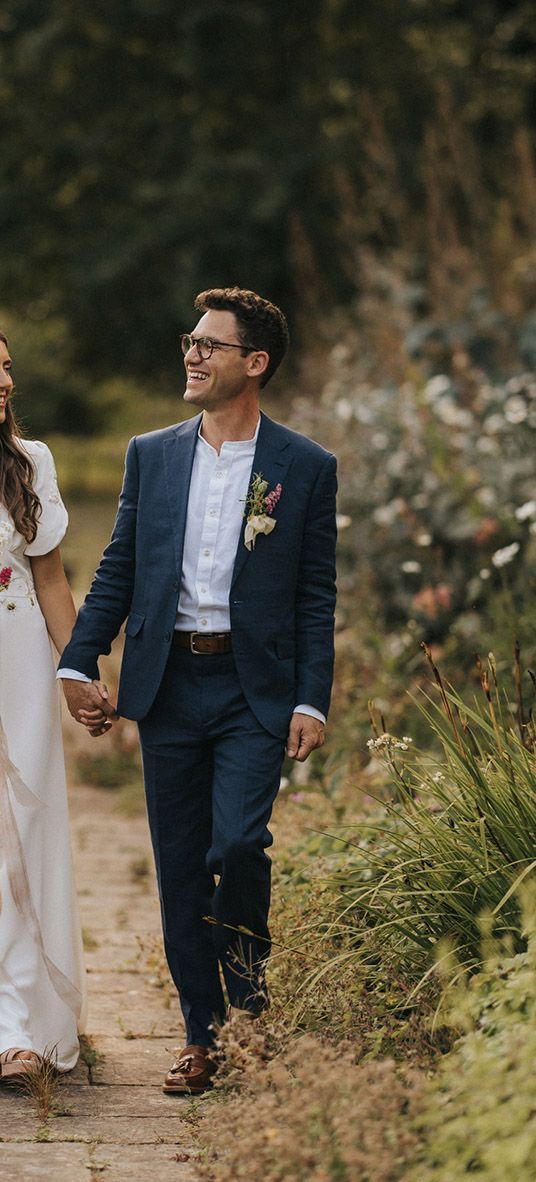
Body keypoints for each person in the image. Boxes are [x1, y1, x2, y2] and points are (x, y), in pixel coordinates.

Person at [59, 287, 337, 1094]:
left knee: (238, 845)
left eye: (211, 344)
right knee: (181, 864)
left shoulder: (305, 467)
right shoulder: (152, 452)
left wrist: (311, 699)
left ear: (255, 363)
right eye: (191, 340)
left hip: (258, 692)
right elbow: (119, 566)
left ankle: (248, 1005)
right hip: (170, 684)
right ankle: (201, 1035)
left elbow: (315, 592)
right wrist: (80, 660)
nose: (192, 353)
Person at [0, 329, 87, 1084]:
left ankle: (21, 1023)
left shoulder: (32, 463)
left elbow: (53, 582)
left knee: (24, 828)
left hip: (18, 656)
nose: (2, 382)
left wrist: (79, 669)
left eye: (5, 368)